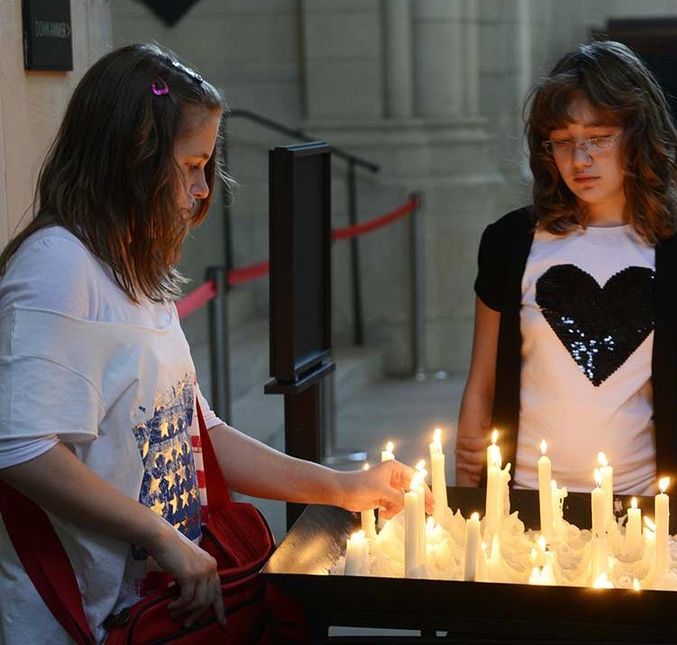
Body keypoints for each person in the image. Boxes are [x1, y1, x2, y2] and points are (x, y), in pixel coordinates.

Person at [0, 43, 425, 643]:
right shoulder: (56, 266)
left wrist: (344, 487)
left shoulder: (130, 266)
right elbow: (20, 448)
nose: (203, 190)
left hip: (156, 608)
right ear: (132, 158)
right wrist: (158, 535)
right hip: (80, 620)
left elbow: (202, 433)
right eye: (192, 164)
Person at [454, 40, 677, 497]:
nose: (579, 161)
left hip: (641, 503)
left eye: (598, 138)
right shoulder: (510, 242)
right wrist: (466, 495)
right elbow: (481, 383)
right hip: (522, 501)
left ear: (639, 136)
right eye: (563, 142)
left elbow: (671, 398)